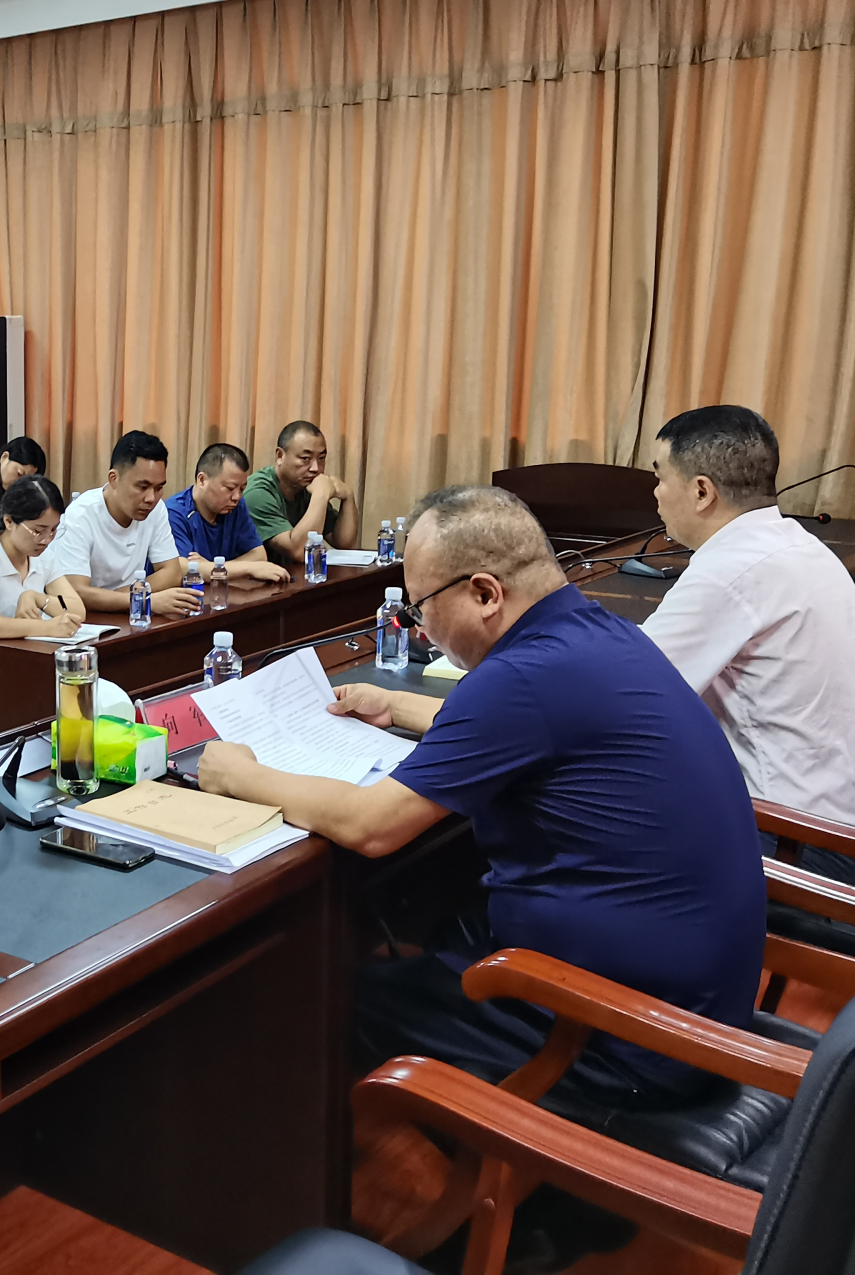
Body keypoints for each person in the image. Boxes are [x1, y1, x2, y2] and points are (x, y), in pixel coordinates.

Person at [199, 485, 764, 1109]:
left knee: (331, 995)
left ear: (486, 594)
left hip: (622, 1036)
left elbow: (370, 826)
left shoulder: (522, 677)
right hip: (693, 1004)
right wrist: (396, 704)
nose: (420, 628)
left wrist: (237, 774)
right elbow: (527, 724)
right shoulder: (596, 630)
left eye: (421, 607)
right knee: (440, 910)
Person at [641, 406, 855, 895]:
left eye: (660, 476)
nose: (656, 493)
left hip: (799, 846)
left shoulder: (731, 570)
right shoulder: (796, 543)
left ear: (702, 491)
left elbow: (624, 686)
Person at [0, 476, 86, 728]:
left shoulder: (43, 557)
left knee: (80, 704)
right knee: (57, 713)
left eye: (54, 530)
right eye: (38, 530)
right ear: (9, 521)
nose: (46, 539)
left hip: (23, 669)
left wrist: (38, 598)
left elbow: (75, 609)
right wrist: (46, 627)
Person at [47, 430, 199, 616]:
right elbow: (75, 592)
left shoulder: (156, 509)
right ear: (114, 479)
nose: (151, 498)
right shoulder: (80, 515)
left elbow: (172, 572)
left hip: (128, 614)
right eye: (142, 487)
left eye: (159, 488)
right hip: (84, 620)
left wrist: (125, 597)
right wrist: (142, 599)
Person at [164, 442, 292, 583]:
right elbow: (181, 569)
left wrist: (210, 567)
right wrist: (247, 568)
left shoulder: (237, 506)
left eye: (242, 489)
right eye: (230, 488)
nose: (237, 497)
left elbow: (259, 555)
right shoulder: (174, 512)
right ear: (202, 480)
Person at [244, 420, 360, 556]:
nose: (315, 468)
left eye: (321, 458)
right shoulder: (258, 493)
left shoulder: (305, 486)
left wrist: (348, 496)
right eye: (305, 458)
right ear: (280, 456)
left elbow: (343, 543)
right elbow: (299, 551)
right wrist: (321, 495)